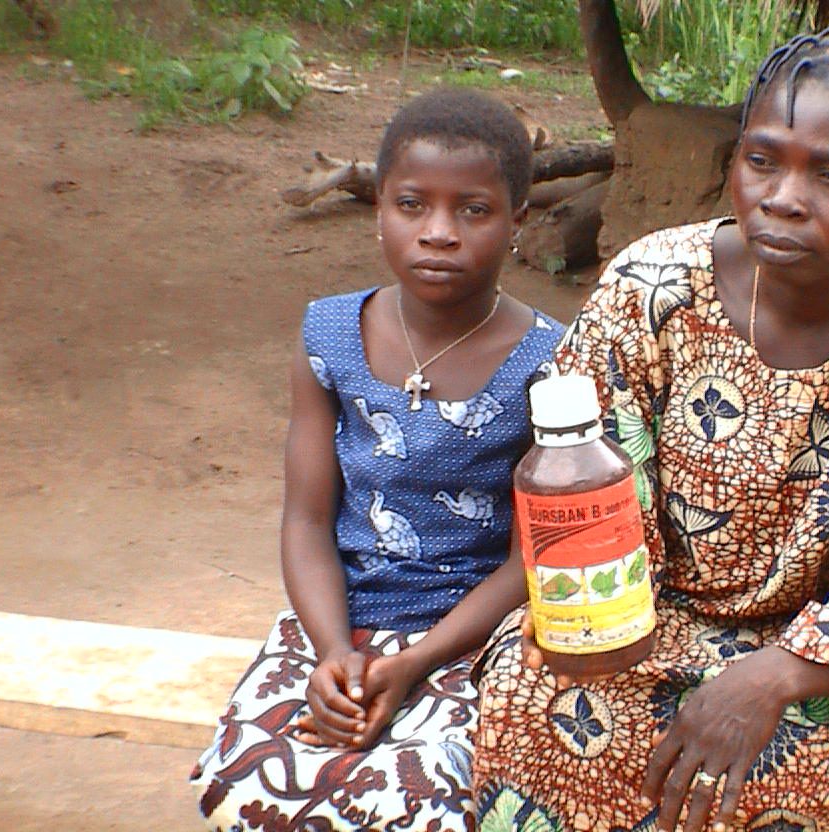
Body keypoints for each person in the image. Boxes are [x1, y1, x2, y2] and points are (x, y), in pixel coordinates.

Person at [472, 23, 829, 832]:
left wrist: (778, 674)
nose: (782, 196)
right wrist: (620, 635)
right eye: (762, 159)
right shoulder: (651, 289)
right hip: (658, 628)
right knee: (538, 687)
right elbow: (588, 494)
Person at [190, 87, 562, 832]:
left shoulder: (550, 361)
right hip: (339, 615)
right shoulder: (329, 335)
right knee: (251, 780)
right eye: (412, 205)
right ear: (378, 210)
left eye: (474, 210)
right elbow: (306, 519)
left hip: (476, 632)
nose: (439, 233)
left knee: (423, 799)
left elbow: (532, 560)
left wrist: (417, 662)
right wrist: (332, 654)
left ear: (518, 220)